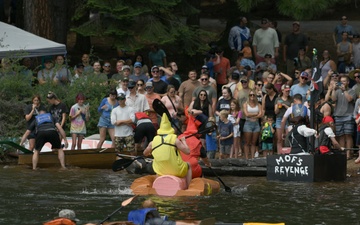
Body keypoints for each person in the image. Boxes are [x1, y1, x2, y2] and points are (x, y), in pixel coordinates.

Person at [143, 113, 192, 188]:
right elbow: (188, 152)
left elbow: (145, 153)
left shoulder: (152, 142)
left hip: (161, 171)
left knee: (157, 168)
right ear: (170, 129)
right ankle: (188, 187)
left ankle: (155, 187)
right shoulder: (175, 140)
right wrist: (184, 141)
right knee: (188, 165)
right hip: (176, 170)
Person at [330, 75, 356, 159]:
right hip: (338, 115)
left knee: (348, 135)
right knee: (340, 135)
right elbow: (333, 99)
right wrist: (333, 89)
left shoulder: (352, 91)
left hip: (348, 115)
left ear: (348, 82)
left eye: (344, 81)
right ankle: (342, 153)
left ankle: (349, 153)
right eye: (341, 81)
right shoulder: (337, 91)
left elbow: (349, 99)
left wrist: (344, 91)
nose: (343, 83)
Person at [179, 114, 211, 178]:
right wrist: (208, 164)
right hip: (192, 168)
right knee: (199, 170)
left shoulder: (178, 138)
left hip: (178, 167)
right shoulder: (198, 143)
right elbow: (204, 158)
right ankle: (200, 183)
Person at [242, 90, 263, 159]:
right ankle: (247, 157)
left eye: (254, 95)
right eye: (251, 95)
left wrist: (253, 116)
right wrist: (255, 114)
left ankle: (253, 157)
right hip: (248, 123)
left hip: (256, 124)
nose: (252, 96)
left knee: (254, 142)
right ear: (248, 96)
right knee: (247, 142)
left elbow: (261, 114)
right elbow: (246, 114)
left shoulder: (258, 104)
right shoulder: (245, 104)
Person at [274, 84, 292, 153]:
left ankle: (287, 153)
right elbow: (276, 112)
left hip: (288, 119)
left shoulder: (291, 99)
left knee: (287, 138)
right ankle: (279, 153)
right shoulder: (278, 99)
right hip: (279, 118)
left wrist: (284, 105)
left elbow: (291, 110)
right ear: (282, 91)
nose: (288, 92)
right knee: (279, 139)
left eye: (288, 91)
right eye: (286, 91)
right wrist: (278, 106)